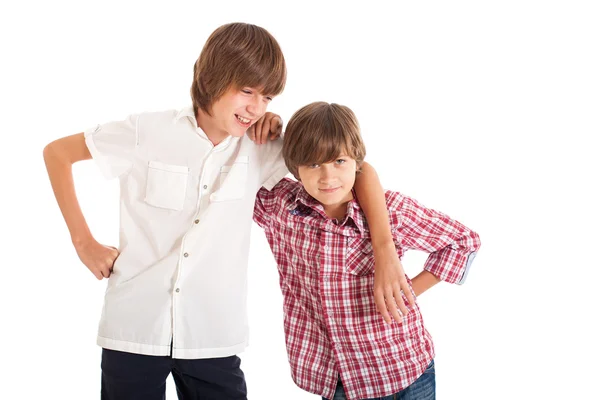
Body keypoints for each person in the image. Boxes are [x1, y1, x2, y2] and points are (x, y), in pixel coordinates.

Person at [43, 23, 410, 399]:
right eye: (246, 91)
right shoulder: (146, 131)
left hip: (212, 335)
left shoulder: (262, 146)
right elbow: (57, 153)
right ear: (211, 77)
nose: (256, 107)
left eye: (267, 97)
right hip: (133, 328)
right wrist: (83, 241)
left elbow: (357, 170)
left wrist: (385, 251)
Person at [253, 102, 481, 400]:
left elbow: (462, 242)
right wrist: (262, 124)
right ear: (294, 167)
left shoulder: (390, 211)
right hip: (333, 379)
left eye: (339, 162)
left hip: (400, 373)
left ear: (356, 161)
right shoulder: (280, 208)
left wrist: (405, 292)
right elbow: (234, 168)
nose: (327, 177)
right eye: (312, 164)